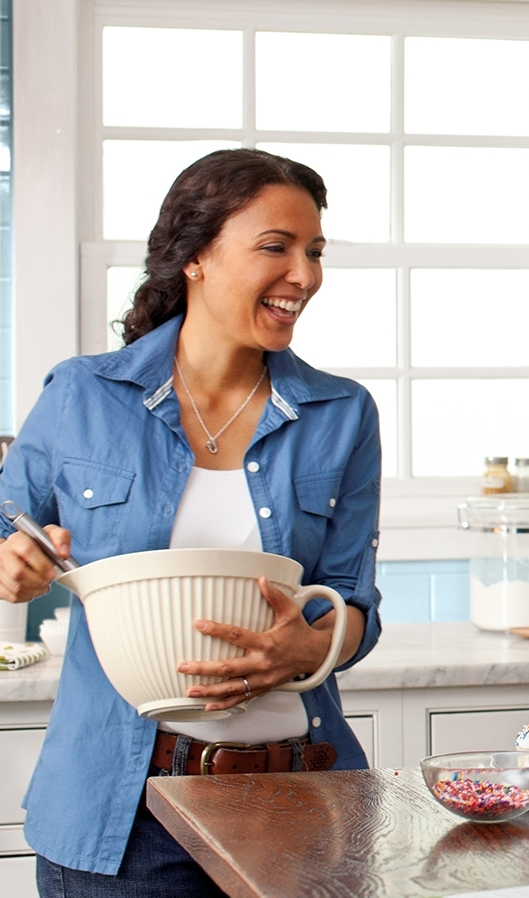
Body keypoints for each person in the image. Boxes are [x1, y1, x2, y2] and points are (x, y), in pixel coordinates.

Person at [0, 149, 383, 894]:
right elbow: (6, 521)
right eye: (276, 247)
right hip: (125, 818)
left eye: (314, 252)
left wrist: (310, 645)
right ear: (196, 256)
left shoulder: (343, 414)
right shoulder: (83, 395)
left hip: (306, 802)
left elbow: (356, 603)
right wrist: (13, 563)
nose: (304, 275)